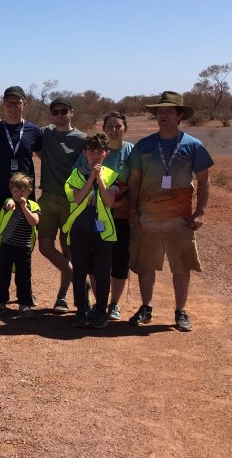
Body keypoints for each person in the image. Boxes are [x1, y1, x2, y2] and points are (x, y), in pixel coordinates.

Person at [126, 91, 213, 331]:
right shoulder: (144, 145)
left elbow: (204, 181)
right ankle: (146, 308)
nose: (162, 115)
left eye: (168, 111)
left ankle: (180, 311)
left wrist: (201, 212)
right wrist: (132, 210)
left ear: (179, 115)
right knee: (145, 265)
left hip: (180, 218)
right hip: (148, 216)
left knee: (181, 265)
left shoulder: (193, 146)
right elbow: (134, 181)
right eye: (159, 112)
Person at [36, 97, 88, 313]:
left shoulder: (82, 139)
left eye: (63, 111)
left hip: (71, 201)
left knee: (70, 250)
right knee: (45, 247)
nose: (59, 115)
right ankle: (80, 280)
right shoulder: (45, 133)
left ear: (71, 112)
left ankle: (63, 297)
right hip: (47, 199)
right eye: (55, 112)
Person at [62, 133, 119, 328]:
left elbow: (110, 202)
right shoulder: (75, 175)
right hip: (80, 229)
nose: (95, 155)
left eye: (99, 152)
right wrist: (91, 178)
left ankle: (101, 310)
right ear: (85, 153)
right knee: (79, 271)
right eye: (91, 151)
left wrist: (100, 179)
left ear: (106, 153)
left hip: (103, 233)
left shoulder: (112, 175)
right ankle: (80, 310)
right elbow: (76, 198)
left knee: (102, 272)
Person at [0, 86, 44, 233]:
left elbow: (45, 158)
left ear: (24, 103)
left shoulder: (34, 130)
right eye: (9, 103)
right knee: (0, 235)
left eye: (17, 103)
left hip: (24, 191)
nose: (13, 107)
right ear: (3, 104)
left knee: (24, 234)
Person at [94, 112, 134, 320]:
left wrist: (120, 203)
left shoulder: (132, 152)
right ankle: (99, 301)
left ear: (125, 128)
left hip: (122, 216)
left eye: (118, 126)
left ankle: (114, 304)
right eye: (110, 126)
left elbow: (138, 185)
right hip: (99, 215)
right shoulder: (98, 151)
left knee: (119, 261)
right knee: (98, 260)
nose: (114, 130)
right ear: (104, 128)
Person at [0, 173, 41, 317]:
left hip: (23, 248)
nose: (19, 194)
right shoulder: (9, 202)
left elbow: (34, 222)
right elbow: (8, 204)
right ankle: (0, 302)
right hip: (6, 246)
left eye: (22, 191)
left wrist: (24, 207)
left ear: (29, 191)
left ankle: (25, 304)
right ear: (11, 191)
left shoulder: (33, 206)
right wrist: (9, 203)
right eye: (16, 191)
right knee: (2, 275)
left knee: (23, 277)